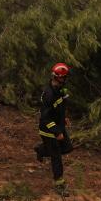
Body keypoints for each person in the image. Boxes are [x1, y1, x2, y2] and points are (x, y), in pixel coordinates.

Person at [34, 63, 74, 193]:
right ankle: (59, 185)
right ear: (56, 77)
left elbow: (61, 106)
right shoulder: (49, 94)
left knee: (68, 147)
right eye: (63, 77)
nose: (65, 80)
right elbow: (45, 118)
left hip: (59, 126)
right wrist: (56, 132)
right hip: (48, 131)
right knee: (56, 157)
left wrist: (64, 118)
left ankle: (41, 150)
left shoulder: (60, 90)